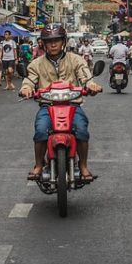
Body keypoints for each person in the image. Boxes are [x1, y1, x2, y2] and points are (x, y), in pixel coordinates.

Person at [19, 24, 101, 182]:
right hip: (47, 106)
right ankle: (38, 164)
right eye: (49, 41)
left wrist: (92, 86)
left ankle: (83, 165)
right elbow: (29, 80)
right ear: (43, 43)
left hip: (72, 105)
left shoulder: (76, 59)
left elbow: (86, 77)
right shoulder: (36, 63)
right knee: (41, 130)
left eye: (57, 40)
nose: (53, 44)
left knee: (82, 130)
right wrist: (26, 89)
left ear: (63, 41)